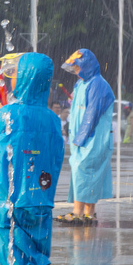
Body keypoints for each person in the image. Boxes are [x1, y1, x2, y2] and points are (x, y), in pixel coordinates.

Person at [0, 53, 69, 265]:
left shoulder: (6, 114)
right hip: (41, 198)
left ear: (26, 78)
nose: (11, 77)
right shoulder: (53, 120)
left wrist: (2, 113)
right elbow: (56, 156)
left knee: (14, 252)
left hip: (7, 197)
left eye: (16, 72)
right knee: (34, 252)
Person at [56, 49, 114, 227]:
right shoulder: (80, 84)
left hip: (93, 139)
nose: (75, 70)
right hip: (82, 139)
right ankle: (87, 213)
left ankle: (79, 212)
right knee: (85, 173)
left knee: (86, 172)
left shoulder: (98, 84)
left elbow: (92, 114)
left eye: (76, 66)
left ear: (85, 65)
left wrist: (81, 137)